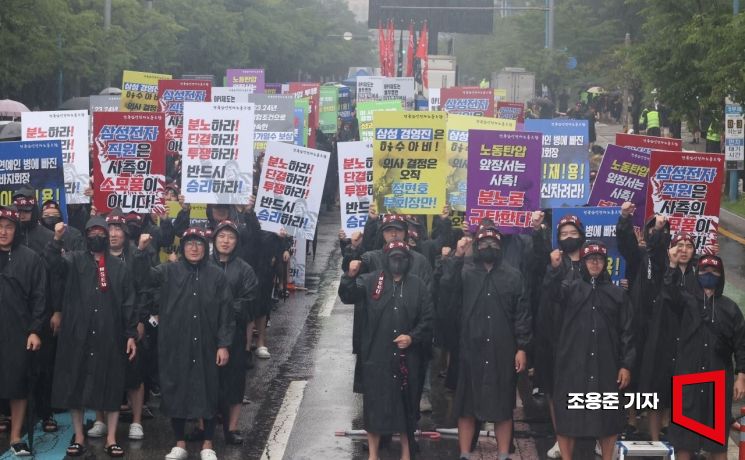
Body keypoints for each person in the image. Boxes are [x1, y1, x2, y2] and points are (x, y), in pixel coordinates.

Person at [135, 227, 234, 460]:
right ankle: (179, 442)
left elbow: (226, 313)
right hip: (175, 343)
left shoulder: (217, 275)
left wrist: (223, 344)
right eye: (189, 243)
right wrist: (141, 251)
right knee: (175, 389)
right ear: (182, 247)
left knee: (208, 390)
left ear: (206, 246)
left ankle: (208, 444)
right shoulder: (169, 271)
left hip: (208, 344)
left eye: (199, 243)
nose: (194, 247)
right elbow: (143, 278)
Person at [45, 217, 137, 458]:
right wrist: (56, 239)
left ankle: (111, 438)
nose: (97, 236)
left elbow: (129, 302)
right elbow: (52, 264)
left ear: (107, 236)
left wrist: (130, 334)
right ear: (86, 236)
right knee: (75, 383)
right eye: (92, 232)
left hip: (110, 334)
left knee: (112, 384)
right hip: (77, 334)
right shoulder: (73, 260)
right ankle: (79, 436)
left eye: (101, 232)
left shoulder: (119, 267)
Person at [440, 228, 531, 460]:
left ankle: (502, 454)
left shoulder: (513, 275)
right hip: (470, 349)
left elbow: (522, 314)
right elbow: (446, 288)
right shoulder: (465, 272)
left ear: (500, 247)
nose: (488, 247)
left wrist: (522, 347)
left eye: (493, 242)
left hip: (503, 350)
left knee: (502, 408)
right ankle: (464, 453)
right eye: (482, 243)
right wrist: (457, 256)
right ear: (475, 246)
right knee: (466, 407)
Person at [338, 241, 433, 460]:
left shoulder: (417, 285)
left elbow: (428, 319)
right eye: (393, 257)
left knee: (407, 406)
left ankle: (406, 454)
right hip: (376, 356)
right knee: (375, 406)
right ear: (386, 259)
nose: (397, 262)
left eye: (401, 258)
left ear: (408, 261)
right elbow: (348, 295)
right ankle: (373, 454)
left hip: (408, 358)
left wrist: (412, 337)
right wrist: (350, 275)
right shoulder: (372, 280)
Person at [548, 242, 635, 460]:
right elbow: (551, 295)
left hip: (607, 365)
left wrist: (626, 365)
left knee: (609, 416)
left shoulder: (618, 294)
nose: (594, 263)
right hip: (572, 364)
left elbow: (628, 332)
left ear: (605, 263)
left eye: (599, 259)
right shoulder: (569, 288)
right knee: (568, 415)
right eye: (590, 259)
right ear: (583, 263)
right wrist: (555, 269)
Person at [664, 253, 745, 460]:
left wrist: (741, 376)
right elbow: (670, 291)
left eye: (715, 271)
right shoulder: (686, 301)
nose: (709, 275)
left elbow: (741, 345)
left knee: (717, 444)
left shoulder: (731, 308)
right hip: (687, 379)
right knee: (684, 441)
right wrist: (672, 264)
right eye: (704, 271)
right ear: (697, 274)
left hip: (718, 381)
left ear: (721, 275)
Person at [86, 213, 153, 441]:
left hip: (131, 321)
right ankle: (100, 419)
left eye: (118, 229)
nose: (113, 233)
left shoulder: (137, 254)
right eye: (109, 229)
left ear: (126, 232)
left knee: (134, 373)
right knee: (98, 370)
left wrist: (141, 320)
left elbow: (145, 288)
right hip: (102, 322)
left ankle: (136, 421)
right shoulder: (95, 254)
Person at [616, 203, 671, 440]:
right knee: (634, 369)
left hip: (663, 323)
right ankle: (631, 418)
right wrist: (625, 218)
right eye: (651, 228)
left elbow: (659, 253)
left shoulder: (669, 257)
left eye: (660, 229)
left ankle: (661, 422)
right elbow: (625, 244)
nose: (655, 232)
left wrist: (661, 232)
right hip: (638, 322)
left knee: (661, 372)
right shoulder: (639, 254)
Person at [0, 207, 46, 456]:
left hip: (19, 330)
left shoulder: (30, 258)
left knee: (17, 383)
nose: (3, 231)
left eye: (8, 226)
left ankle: (16, 436)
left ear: (16, 230)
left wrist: (35, 330)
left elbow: (40, 297)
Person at [210, 220, 259, 444]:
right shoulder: (203, 265)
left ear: (237, 241)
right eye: (221, 236)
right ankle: (203, 426)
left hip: (235, 333)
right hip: (206, 332)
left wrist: (225, 309)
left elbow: (250, 302)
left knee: (235, 380)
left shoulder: (245, 269)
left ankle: (232, 428)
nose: (225, 241)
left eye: (230, 237)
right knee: (205, 380)